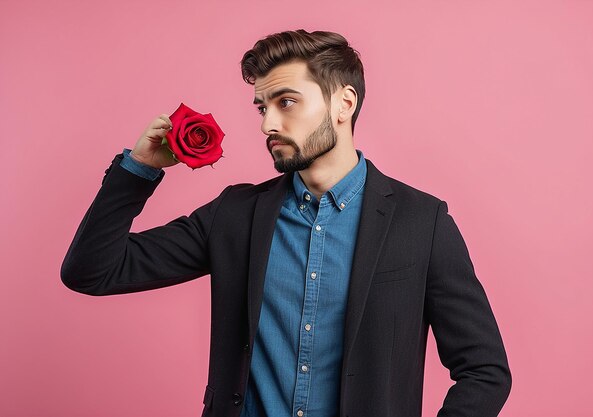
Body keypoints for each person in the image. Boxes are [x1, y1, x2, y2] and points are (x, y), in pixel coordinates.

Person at [61, 29, 512, 417]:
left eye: (286, 102)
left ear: (344, 103)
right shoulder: (234, 215)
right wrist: (139, 168)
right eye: (262, 108)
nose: (268, 124)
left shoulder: (421, 221)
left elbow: (484, 369)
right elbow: (93, 270)